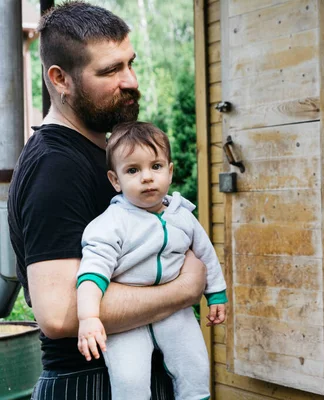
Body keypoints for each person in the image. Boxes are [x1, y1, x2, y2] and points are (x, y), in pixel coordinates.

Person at [7, 2, 207, 399]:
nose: (131, 80)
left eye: (129, 63)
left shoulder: (103, 155)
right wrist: (184, 290)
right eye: (110, 70)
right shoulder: (56, 166)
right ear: (61, 79)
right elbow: (59, 313)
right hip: (88, 383)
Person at [76, 121, 227, 400]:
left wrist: (216, 295)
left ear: (169, 172)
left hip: (175, 312)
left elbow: (206, 255)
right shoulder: (110, 224)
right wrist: (89, 317)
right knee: (128, 378)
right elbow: (91, 273)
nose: (147, 177)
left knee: (194, 365)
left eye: (156, 167)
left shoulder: (182, 216)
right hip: (127, 318)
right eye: (133, 170)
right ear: (115, 180)